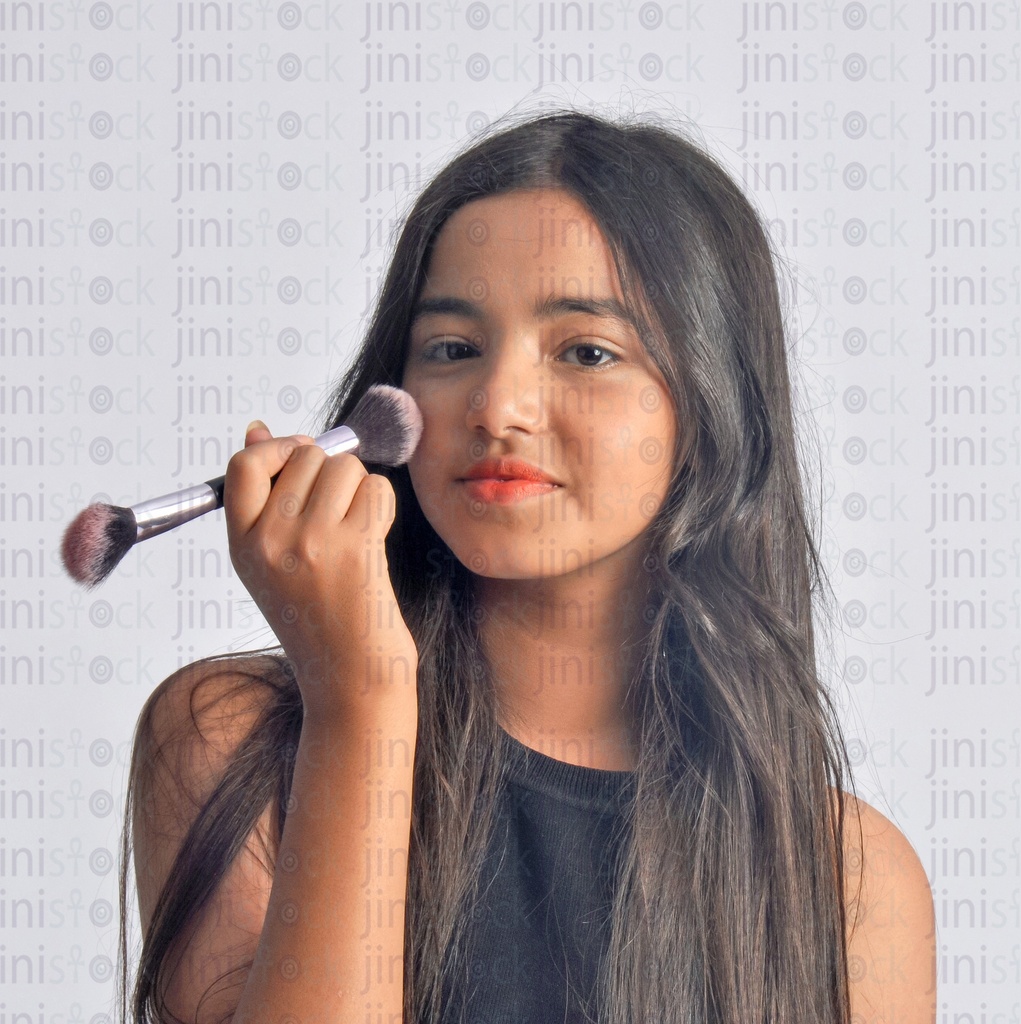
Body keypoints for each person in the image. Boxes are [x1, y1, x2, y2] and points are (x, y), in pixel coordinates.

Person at [119, 110, 935, 1024]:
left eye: (587, 351)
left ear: (710, 407)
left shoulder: (846, 883)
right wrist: (361, 699)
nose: (497, 404)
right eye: (452, 350)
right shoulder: (230, 746)